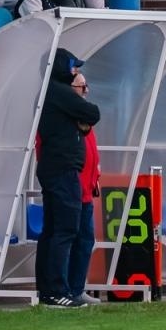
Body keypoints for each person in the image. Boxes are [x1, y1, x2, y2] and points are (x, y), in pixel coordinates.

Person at [35, 48, 100, 308]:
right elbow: (92, 113)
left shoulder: (50, 93)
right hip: (62, 172)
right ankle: (56, 291)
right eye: (73, 68)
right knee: (64, 231)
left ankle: (50, 290)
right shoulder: (58, 91)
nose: (75, 72)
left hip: (56, 171)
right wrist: (79, 115)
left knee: (53, 231)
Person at [65, 69, 102, 305]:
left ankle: (76, 289)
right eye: (82, 86)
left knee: (85, 240)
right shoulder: (64, 117)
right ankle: (64, 290)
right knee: (69, 239)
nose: (86, 91)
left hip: (87, 191)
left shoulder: (85, 117)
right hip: (71, 190)